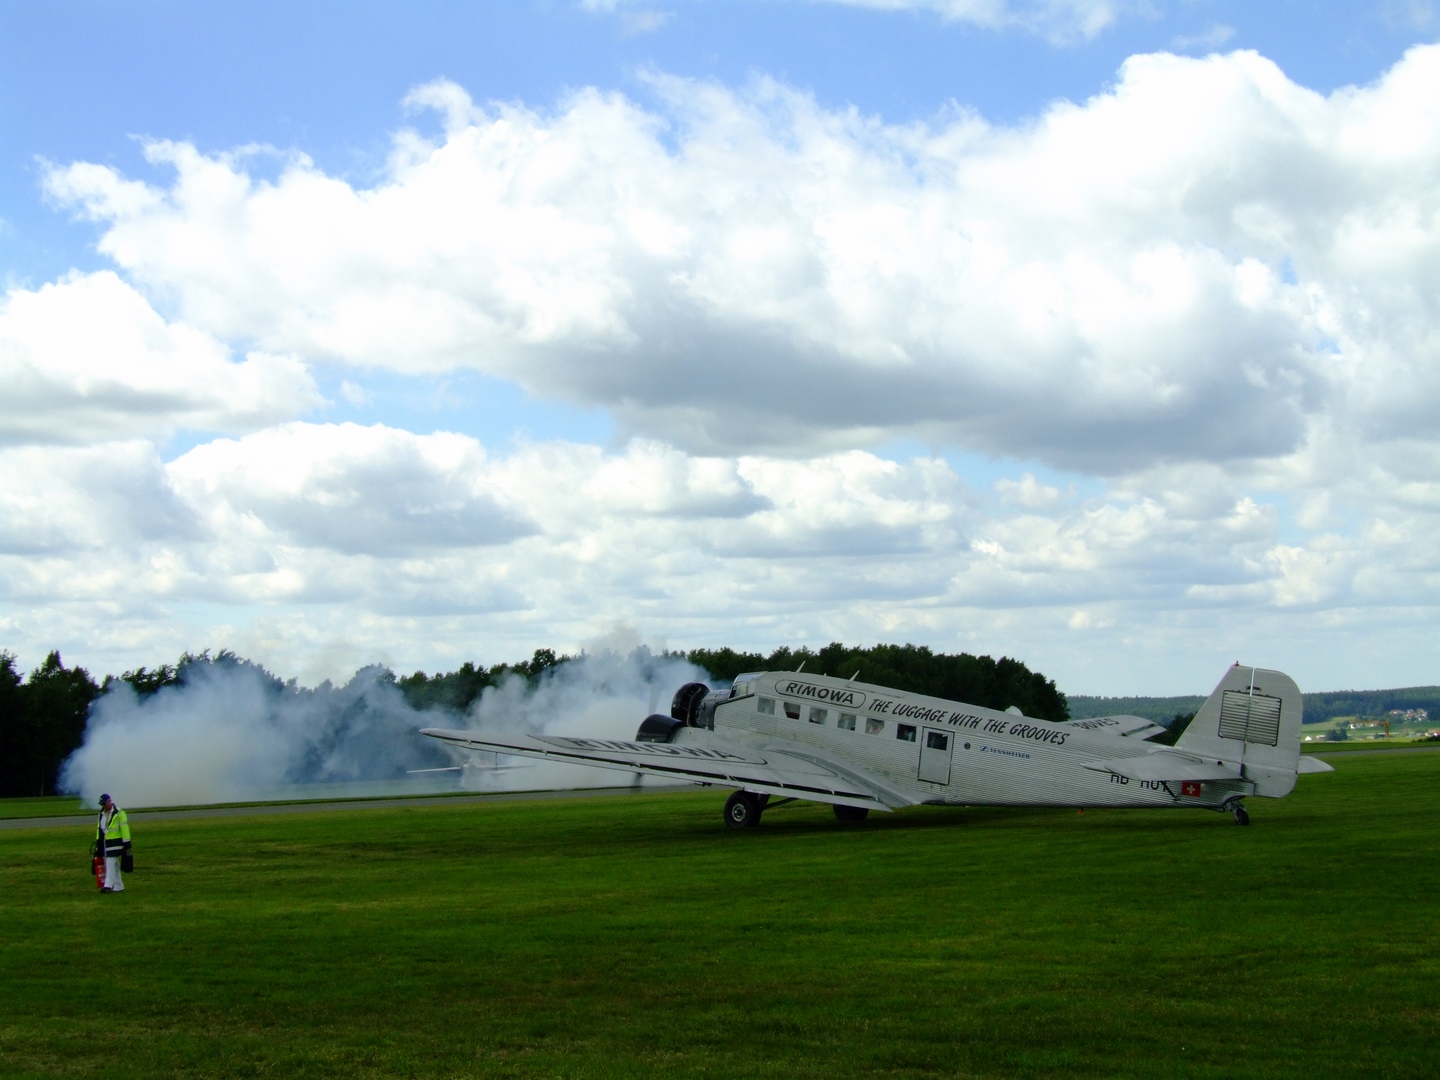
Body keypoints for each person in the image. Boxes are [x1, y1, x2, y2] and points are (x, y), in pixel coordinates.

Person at [95, 794, 131, 893]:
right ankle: (119, 886)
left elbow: (124, 828)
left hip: (117, 842)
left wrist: (127, 843)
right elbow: (99, 829)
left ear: (109, 801)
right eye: (102, 804)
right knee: (113, 864)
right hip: (106, 843)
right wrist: (98, 843)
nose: (103, 806)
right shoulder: (101, 814)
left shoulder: (119, 813)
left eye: (104, 803)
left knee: (110, 863)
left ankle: (108, 885)